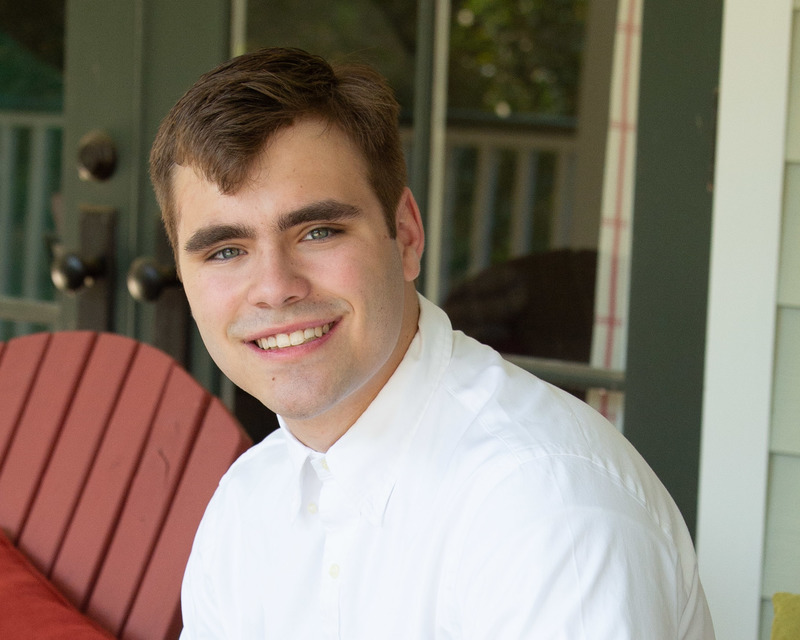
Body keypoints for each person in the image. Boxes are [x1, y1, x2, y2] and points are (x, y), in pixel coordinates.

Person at [149, 47, 715, 639]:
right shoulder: (247, 502)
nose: (274, 288)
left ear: (407, 235)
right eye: (226, 251)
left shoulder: (542, 506)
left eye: (318, 231)